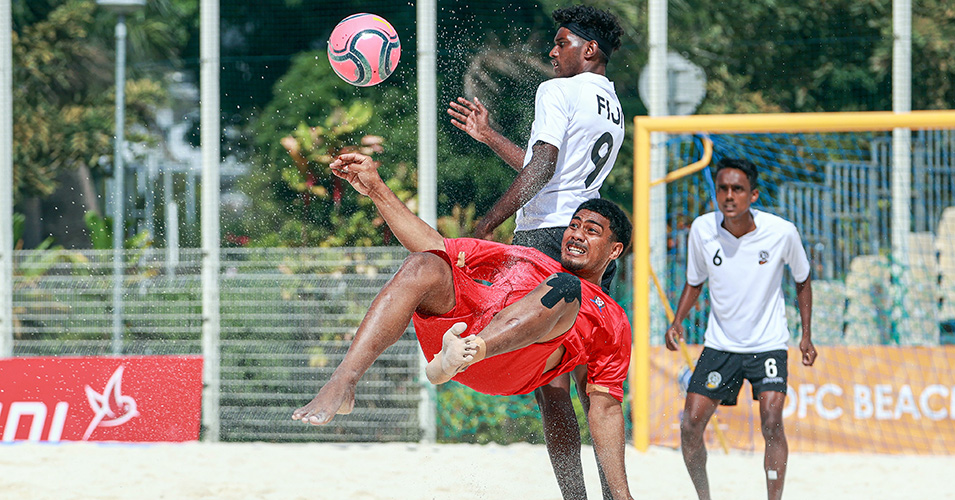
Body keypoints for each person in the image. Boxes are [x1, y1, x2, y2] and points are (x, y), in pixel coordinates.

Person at [292, 152, 635, 500]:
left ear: (614, 250)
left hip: (508, 362)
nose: (576, 234)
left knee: (565, 289)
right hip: (459, 334)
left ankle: (466, 352)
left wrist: (621, 495)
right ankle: (344, 380)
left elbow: (605, 409)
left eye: (591, 231)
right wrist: (376, 188)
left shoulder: (612, 318)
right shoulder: (527, 257)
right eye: (573, 225)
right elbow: (435, 244)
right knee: (424, 263)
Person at [447, 6, 625, 497]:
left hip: (546, 237)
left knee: (551, 386)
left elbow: (542, 170)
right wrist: (489, 136)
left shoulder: (556, 89)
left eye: (561, 42)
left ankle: (575, 497)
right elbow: (549, 168)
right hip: (588, 241)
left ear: (588, 49)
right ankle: (616, 493)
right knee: (600, 385)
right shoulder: (613, 104)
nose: (552, 51)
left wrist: (487, 223)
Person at [664, 158, 818, 500]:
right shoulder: (702, 230)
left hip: (768, 344)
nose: (729, 196)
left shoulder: (782, 232)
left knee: (772, 420)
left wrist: (806, 334)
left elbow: (802, 278)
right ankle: (704, 497)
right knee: (690, 425)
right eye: (723, 188)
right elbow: (694, 281)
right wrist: (677, 321)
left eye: (737, 189)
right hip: (721, 345)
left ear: (754, 195)